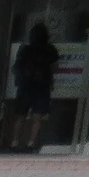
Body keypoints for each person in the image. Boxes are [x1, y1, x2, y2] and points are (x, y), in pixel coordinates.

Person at [11, 21, 60, 150]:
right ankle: (31, 143)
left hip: (25, 86)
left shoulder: (25, 49)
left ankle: (14, 142)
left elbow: (17, 67)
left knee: (20, 116)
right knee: (37, 117)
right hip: (42, 87)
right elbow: (55, 67)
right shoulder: (50, 50)